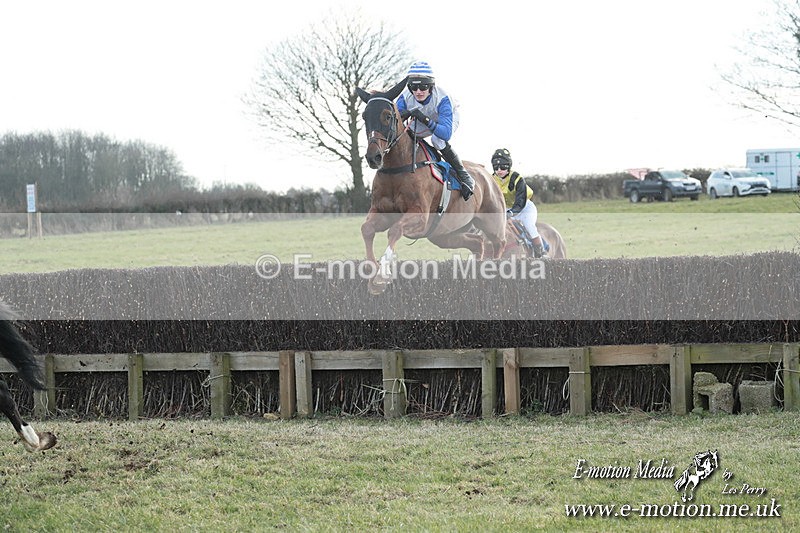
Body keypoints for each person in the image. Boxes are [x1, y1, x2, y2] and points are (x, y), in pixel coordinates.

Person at [396, 61, 474, 201]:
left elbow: (445, 133)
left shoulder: (443, 98)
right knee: (408, 135)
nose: (418, 91)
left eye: (423, 86)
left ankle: (464, 176)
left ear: (431, 86)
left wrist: (424, 119)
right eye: (414, 87)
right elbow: (397, 120)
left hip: (445, 120)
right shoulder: (404, 96)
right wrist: (405, 113)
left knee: (437, 140)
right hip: (421, 118)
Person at [491, 148, 548, 258]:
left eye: (502, 167)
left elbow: (520, 201)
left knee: (529, 226)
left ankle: (541, 253)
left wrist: (511, 213)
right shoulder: (491, 179)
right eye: (496, 167)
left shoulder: (517, 178)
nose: (499, 170)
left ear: (509, 166)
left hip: (524, 207)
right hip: (506, 209)